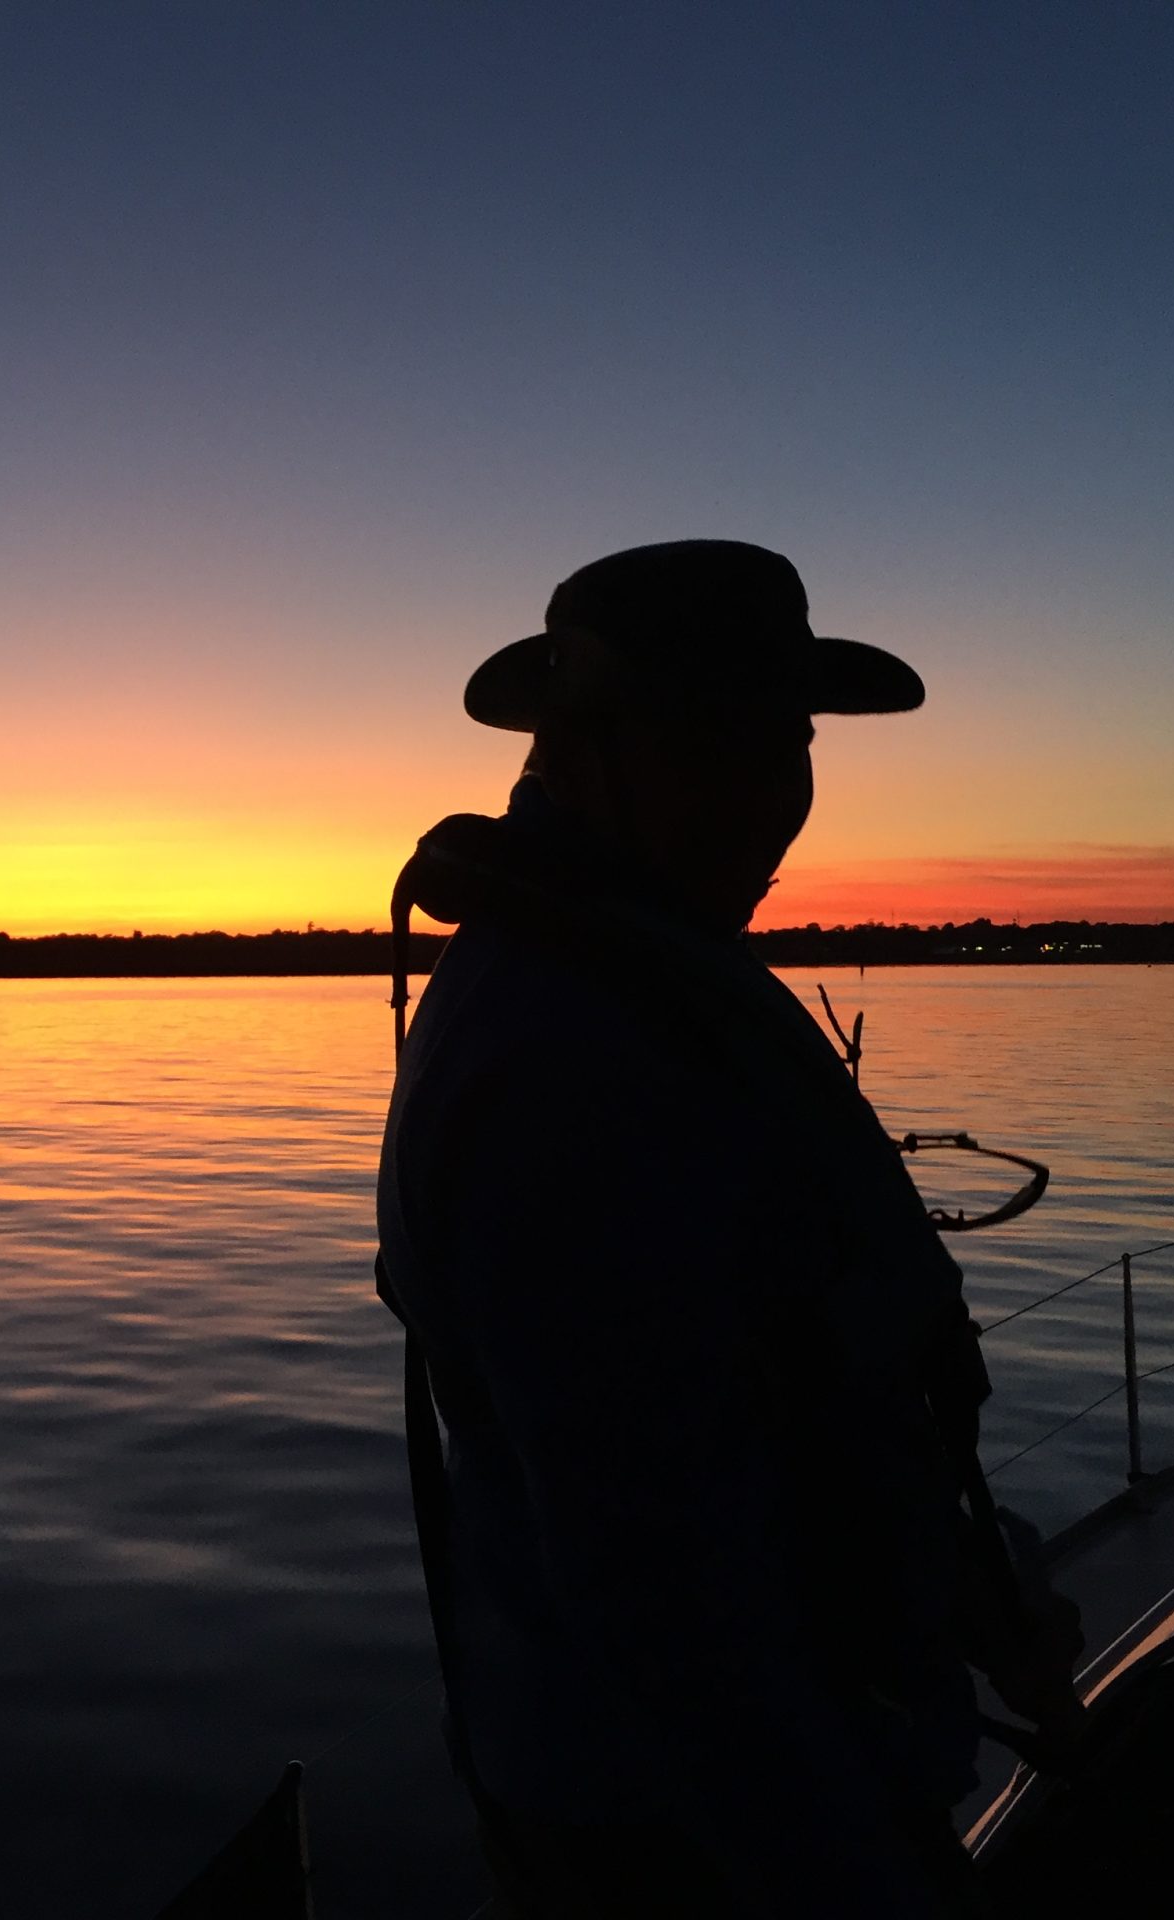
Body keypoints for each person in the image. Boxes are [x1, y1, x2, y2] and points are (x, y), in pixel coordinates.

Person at [375, 540, 1073, 1917]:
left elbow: (786, 1408)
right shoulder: (568, 1065)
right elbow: (664, 1599)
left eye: (789, 744)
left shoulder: (630, 983)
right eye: (716, 742)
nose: (768, 801)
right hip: (693, 1840)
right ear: (577, 750)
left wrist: (975, 1599)